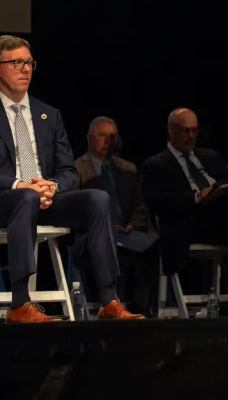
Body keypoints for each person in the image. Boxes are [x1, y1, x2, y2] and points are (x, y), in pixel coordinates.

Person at [0, 35, 142, 323]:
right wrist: (21, 185)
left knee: (97, 198)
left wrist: (52, 186)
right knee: (26, 197)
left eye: (29, 63)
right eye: (17, 62)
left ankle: (108, 300)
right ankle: (20, 304)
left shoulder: (48, 115)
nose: (26, 69)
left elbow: (69, 171)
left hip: (43, 197)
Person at [141, 108, 228, 288]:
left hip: (221, 217)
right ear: (171, 130)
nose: (191, 136)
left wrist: (218, 190)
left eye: (194, 130)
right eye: (186, 130)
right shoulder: (155, 165)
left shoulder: (211, 156)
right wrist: (195, 197)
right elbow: (157, 202)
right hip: (187, 221)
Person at [74, 117, 157, 316]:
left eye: (112, 136)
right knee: (113, 249)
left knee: (155, 244)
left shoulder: (127, 168)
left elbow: (139, 205)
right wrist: (108, 226)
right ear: (89, 138)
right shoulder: (77, 168)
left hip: (126, 233)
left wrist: (132, 224)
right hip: (94, 234)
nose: (107, 141)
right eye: (102, 135)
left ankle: (139, 306)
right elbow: (76, 209)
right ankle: (111, 304)